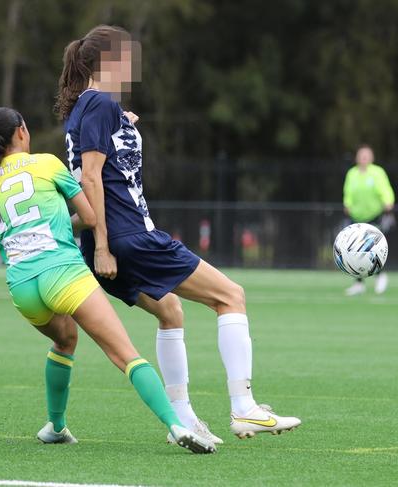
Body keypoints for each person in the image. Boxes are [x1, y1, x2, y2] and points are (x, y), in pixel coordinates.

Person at [56, 25, 301, 442]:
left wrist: (124, 123)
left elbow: (99, 162)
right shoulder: (98, 104)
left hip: (115, 239)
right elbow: (91, 179)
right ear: (109, 61)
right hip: (129, 237)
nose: (134, 66)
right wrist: (102, 246)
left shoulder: (89, 107)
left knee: (170, 311)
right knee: (231, 296)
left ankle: (182, 419)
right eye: (128, 58)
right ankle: (244, 408)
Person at [0, 107, 214, 454]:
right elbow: (88, 216)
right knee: (125, 355)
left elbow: (9, 234)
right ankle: (176, 425)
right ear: (22, 132)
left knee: (65, 340)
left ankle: (56, 427)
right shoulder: (47, 164)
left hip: (23, 287)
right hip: (63, 274)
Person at [343, 144, 395, 296]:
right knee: (353, 250)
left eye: (366, 155)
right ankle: (358, 283)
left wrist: (388, 201)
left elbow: (385, 189)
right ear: (357, 158)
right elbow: (348, 192)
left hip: (374, 216)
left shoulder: (377, 172)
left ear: (371, 158)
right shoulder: (352, 174)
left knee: (371, 250)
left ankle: (381, 276)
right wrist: (347, 204)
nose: (363, 158)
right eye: (361, 155)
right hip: (356, 218)